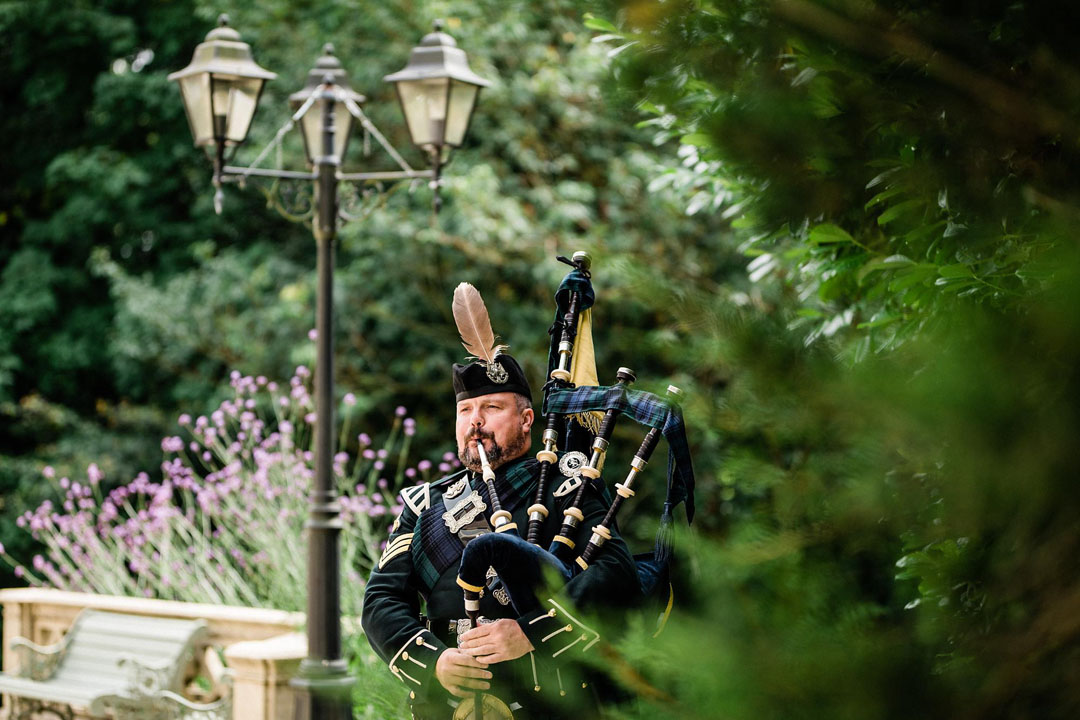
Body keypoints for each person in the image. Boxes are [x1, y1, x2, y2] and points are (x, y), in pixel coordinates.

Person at [361, 352, 642, 720]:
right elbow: (381, 599)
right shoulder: (426, 504)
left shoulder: (568, 491)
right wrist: (435, 661)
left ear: (526, 420)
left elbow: (616, 575)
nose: (475, 420)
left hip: (549, 703)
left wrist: (530, 632)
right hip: (446, 708)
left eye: (492, 407)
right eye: (465, 411)